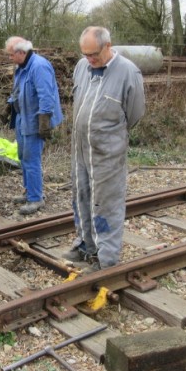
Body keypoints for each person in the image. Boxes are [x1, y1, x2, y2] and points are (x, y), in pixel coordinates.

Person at [65, 26, 145, 270]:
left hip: (108, 153)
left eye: (94, 54)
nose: (89, 59)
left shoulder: (128, 72)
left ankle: (105, 257)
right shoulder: (82, 67)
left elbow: (134, 114)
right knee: (81, 198)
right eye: (85, 54)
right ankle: (85, 244)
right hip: (80, 150)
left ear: (108, 46)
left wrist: (108, 135)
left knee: (106, 204)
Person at [5, 36, 63, 215]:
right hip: (23, 117)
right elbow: (18, 90)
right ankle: (29, 191)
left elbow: (46, 96)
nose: (10, 58)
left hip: (35, 120)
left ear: (21, 52)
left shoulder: (39, 66)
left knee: (32, 159)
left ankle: (36, 198)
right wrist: (10, 104)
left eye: (11, 55)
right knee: (23, 157)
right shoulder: (21, 67)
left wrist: (44, 122)